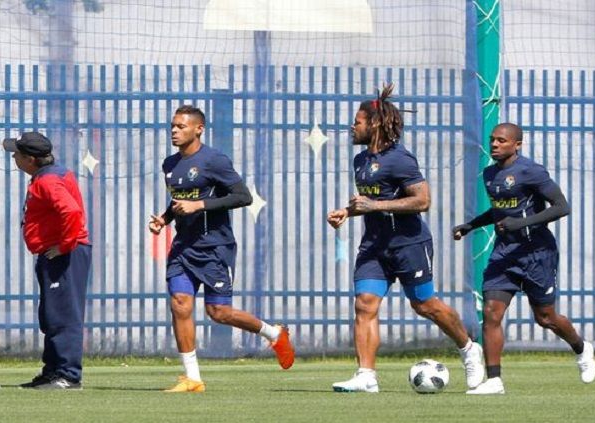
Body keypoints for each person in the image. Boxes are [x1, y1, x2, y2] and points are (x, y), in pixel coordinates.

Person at [326, 84, 484, 393]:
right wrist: (348, 211)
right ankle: (366, 376)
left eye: (357, 121)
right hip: (374, 245)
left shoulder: (401, 159)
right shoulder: (361, 160)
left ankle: (468, 349)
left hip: (409, 245)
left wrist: (375, 205)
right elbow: (373, 200)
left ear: (374, 123)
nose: (351, 126)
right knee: (365, 304)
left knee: (425, 305)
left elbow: (422, 200)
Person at [148, 105, 295, 393]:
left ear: (198, 129)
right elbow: (180, 200)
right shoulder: (169, 164)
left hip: (215, 248)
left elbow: (243, 196)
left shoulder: (215, 160)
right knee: (180, 304)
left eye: (181, 126)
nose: (175, 131)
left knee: (219, 312)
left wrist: (200, 205)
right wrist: (165, 219)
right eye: (172, 126)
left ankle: (274, 333)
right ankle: (192, 378)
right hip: (183, 248)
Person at [453, 123, 595, 394]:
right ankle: (494, 380)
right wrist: (470, 225)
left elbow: (561, 207)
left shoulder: (531, 171)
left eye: (502, 141)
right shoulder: (489, 174)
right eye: (492, 140)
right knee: (491, 313)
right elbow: (499, 213)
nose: (495, 144)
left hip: (536, 254)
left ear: (517, 144)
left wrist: (520, 224)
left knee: (546, 318)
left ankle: (581, 348)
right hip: (504, 254)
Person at [3, 131, 92, 390]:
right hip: (56, 254)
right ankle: (53, 371)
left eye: (17, 154)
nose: (14, 158)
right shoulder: (47, 175)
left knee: (64, 315)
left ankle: (68, 375)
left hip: (66, 254)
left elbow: (72, 211)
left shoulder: (49, 180)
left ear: (30, 159)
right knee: (52, 315)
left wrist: (64, 245)